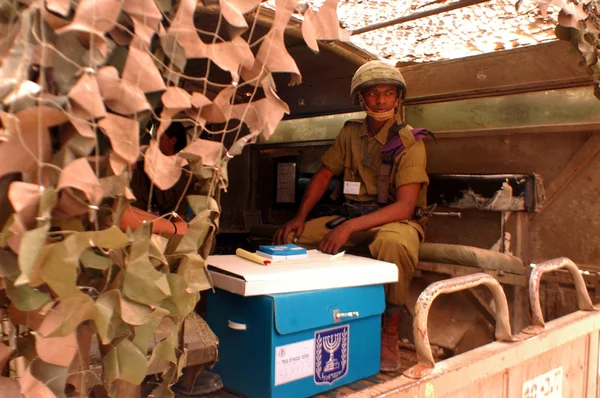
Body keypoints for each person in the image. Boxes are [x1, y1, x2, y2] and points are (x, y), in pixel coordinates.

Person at [273, 60, 429, 372]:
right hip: (351, 215)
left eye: (388, 93)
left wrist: (348, 229)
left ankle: (389, 329)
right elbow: (323, 175)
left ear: (398, 98)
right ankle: (302, 317)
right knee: (290, 239)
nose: (381, 100)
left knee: (395, 245)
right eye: (372, 94)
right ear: (361, 99)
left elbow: (405, 207)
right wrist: (299, 217)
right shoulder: (350, 134)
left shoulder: (411, 141)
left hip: (393, 221)